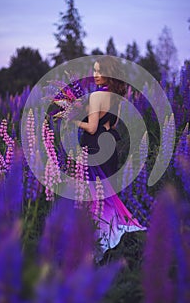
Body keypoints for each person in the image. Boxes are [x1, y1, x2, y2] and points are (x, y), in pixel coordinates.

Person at [73, 56, 146, 257]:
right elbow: (111, 125)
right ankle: (110, 236)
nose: (95, 75)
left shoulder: (96, 96)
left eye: (99, 71)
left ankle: (99, 244)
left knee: (94, 198)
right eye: (94, 70)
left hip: (94, 148)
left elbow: (92, 128)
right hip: (109, 148)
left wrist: (72, 118)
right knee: (106, 195)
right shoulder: (118, 96)